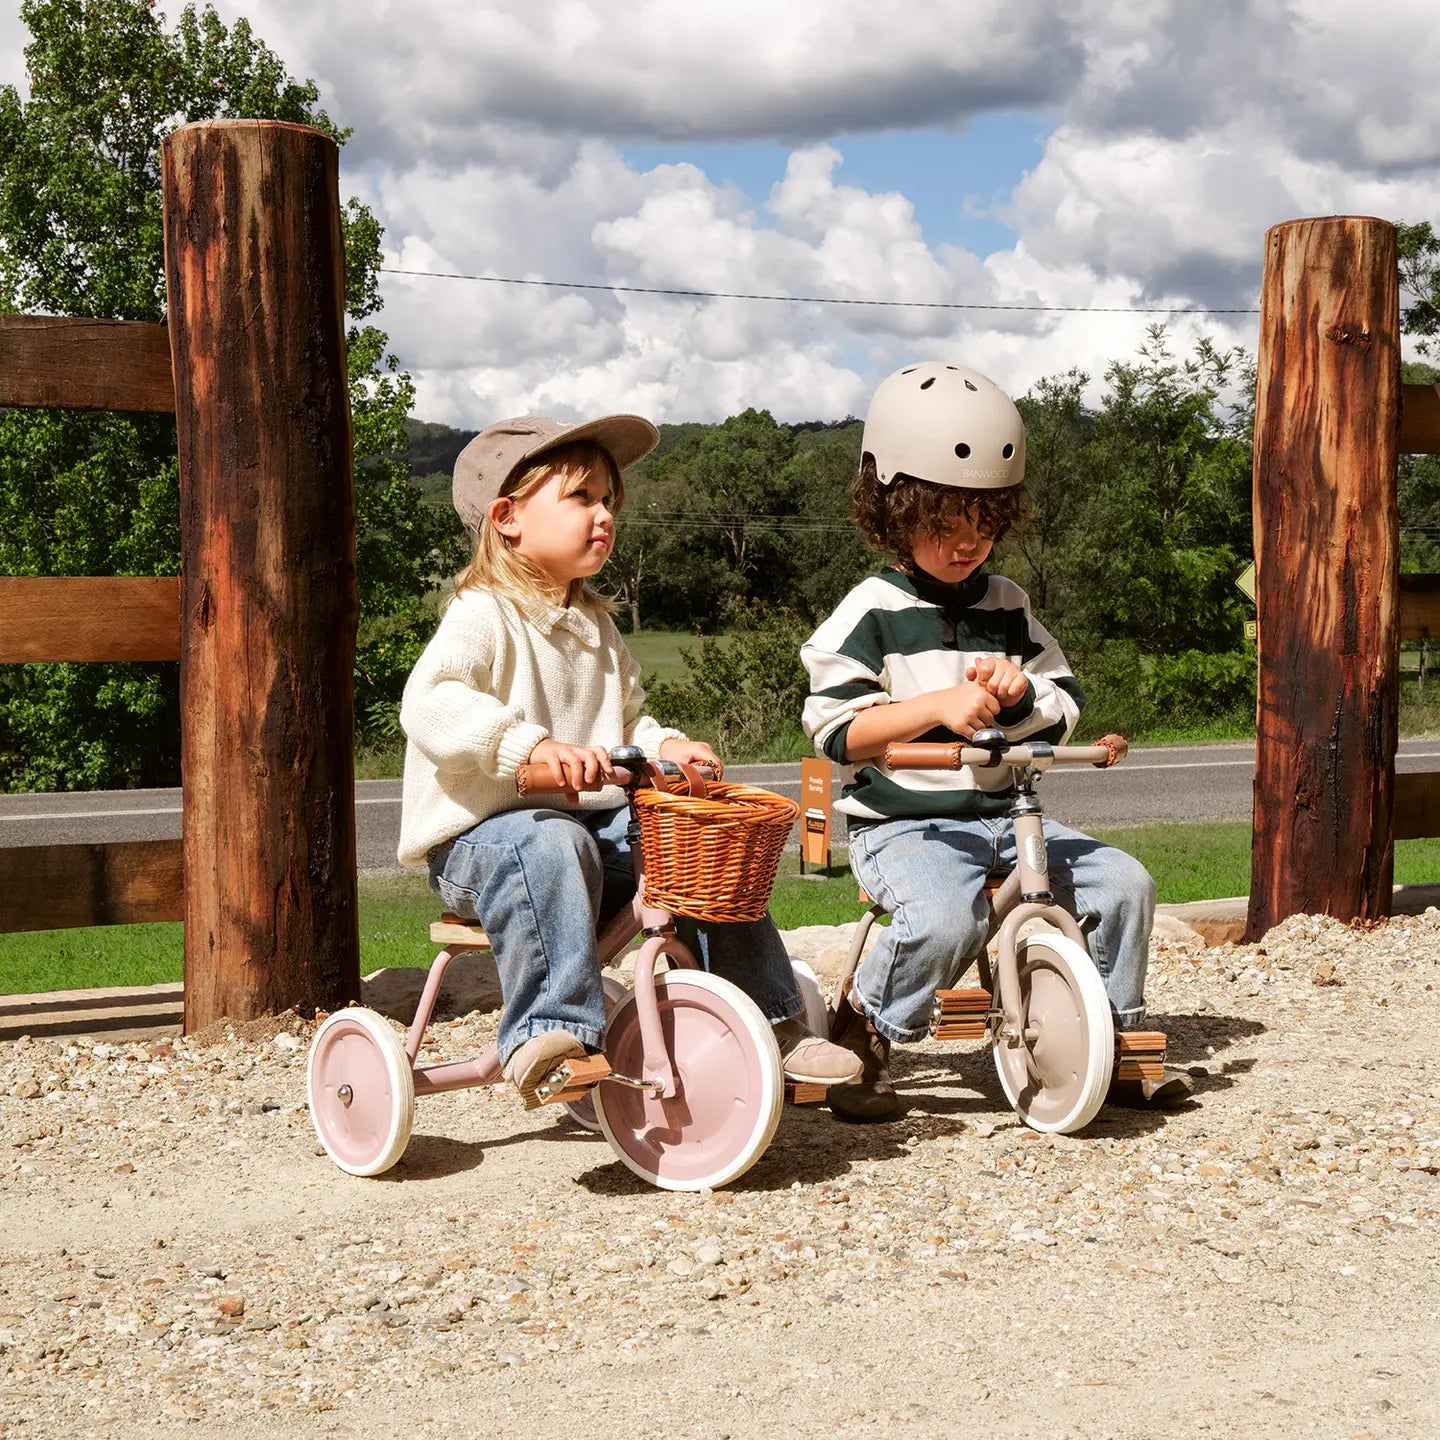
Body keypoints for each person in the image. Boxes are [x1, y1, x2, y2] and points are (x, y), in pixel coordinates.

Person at [398, 413, 861, 1107]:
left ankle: (771, 1022)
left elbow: (626, 725)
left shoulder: (596, 628)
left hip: (581, 838)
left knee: (696, 844)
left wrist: (666, 746)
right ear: (508, 517)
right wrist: (530, 747)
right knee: (548, 840)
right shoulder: (482, 614)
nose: (603, 514)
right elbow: (429, 702)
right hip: (483, 841)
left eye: (609, 500)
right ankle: (548, 1032)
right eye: (581, 497)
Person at [801, 363, 1192, 1121]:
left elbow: (1065, 698)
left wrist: (1022, 696)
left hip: (1007, 817)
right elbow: (837, 732)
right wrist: (935, 705)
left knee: (1124, 885)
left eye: (984, 524)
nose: (967, 543)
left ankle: (1112, 1037)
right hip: (906, 821)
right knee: (946, 917)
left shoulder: (1008, 606)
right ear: (893, 509)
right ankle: (868, 1030)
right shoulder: (871, 611)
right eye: (944, 522)